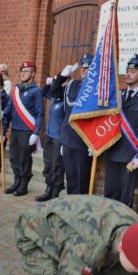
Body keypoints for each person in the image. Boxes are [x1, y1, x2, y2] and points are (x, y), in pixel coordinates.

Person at [104, 54, 138, 207]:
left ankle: (123, 226)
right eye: (127, 70)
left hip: (130, 155)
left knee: (125, 197)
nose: (128, 74)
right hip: (112, 150)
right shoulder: (118, 96)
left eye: (133, 71)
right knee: (110, 192)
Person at [50, 54, 94, 194]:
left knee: (82, 179)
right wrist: (62, 76)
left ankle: (81, 210)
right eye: (83, 68)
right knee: (71, 178)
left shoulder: (96, 90)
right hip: (68, 139)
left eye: (88, 68)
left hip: (84, 141)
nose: (84, 71)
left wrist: (94, 142)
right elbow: (54, 92)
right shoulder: (72, 85)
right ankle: (72, 205)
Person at [3, 61, 44, 196]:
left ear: (33, 74)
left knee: (24, 158)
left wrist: (36, 132)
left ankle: (24, 185)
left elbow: (40, 113)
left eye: (26, 71)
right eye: (22, 71)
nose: (23, 73)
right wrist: (3, 131)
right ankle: (16, 181)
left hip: (27, 131)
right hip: (15, 129)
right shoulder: (15, 90)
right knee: (14, 157)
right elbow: (8, 109)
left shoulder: (36, 91)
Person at [35, 76, 65, 201]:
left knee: (57, 165)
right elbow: (44, 93)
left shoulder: (65, 101)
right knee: (48, 163)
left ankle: (56, 191)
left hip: (59, 138)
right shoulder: (54, 97)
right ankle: (49, 188)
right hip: (49, 135)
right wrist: (47, 84)